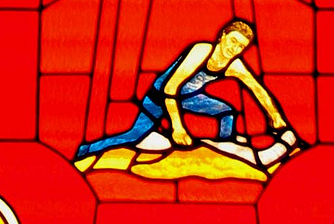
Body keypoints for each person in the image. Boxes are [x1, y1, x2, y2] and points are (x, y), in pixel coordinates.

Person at [75, 20, 300, 168]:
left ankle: (225, 148)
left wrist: (275, 117)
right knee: (134, 135)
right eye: (233, 41)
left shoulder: (235, 65)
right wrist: (178, 127)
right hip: (159, 98)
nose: (234, 49)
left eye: (240, 47)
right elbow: (170, 88)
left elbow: (258, 89)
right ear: (222, 36)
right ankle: (86, 150)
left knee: (227, 113)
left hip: (189, 98)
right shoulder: (202, 50)